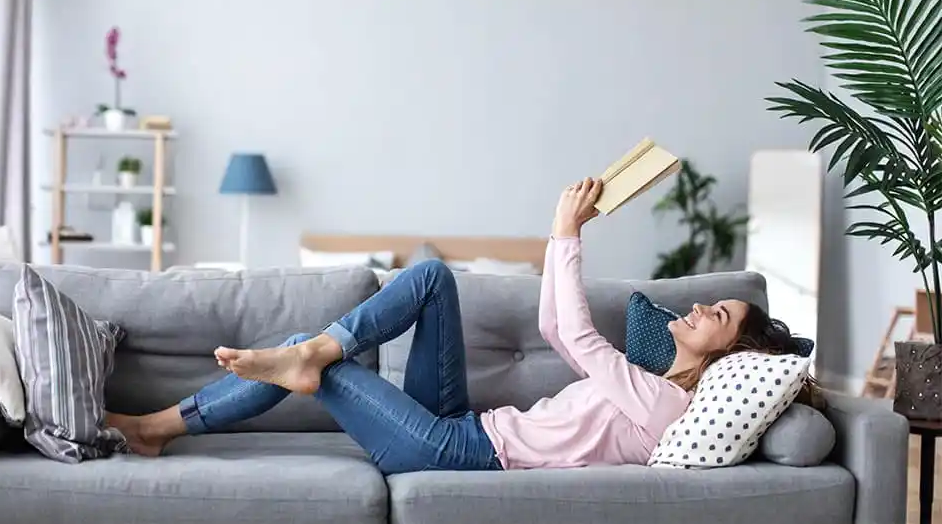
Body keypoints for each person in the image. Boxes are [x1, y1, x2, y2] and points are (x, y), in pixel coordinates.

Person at [107, 177, 817, 474]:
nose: (698, 307)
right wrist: (561, 237)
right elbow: (557, 322)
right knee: (431, 277)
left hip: (458, 453)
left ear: (729, 352)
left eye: (716, 313)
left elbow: (580, 337)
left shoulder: (667, 402)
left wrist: (566, 229)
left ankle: (159, 426)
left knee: (302, 356)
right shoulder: (649, 386)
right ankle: (319, 350)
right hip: (465, 422)